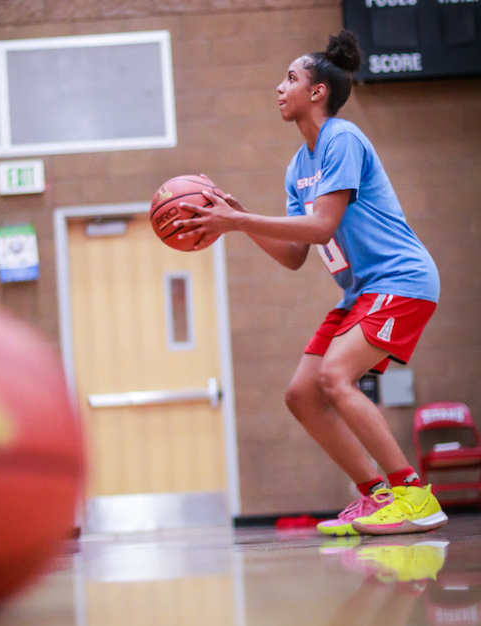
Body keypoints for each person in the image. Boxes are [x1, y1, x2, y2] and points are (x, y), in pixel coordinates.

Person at [175, 29, 448, 536]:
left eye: (291, 78)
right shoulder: (297, 166)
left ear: (317, 91)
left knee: (334, 378)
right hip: (361, 291)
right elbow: (295, 256)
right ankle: (377, 495)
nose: (280, 87)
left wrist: (239, 221)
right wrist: (241, 221)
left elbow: (322, 225)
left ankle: (414, 495)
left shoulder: (341, 138)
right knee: (302, 393)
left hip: (402, 279)